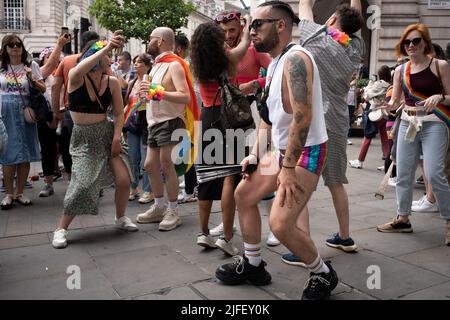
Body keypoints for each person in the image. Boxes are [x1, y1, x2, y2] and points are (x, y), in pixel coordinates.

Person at [215, 1, 338, 300]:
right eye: (250, 24)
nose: (250, 30)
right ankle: (253, 264)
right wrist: (255, 155)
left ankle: (322, 273)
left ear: (280, 26)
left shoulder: (296, 59)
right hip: (283, 152)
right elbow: (268, 121)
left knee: (281, 224)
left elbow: (302, 116)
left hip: (305, 151)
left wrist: (286, 170)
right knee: (243, 194)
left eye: (257, 24)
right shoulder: (275, 63)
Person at [280, 0, 363, 265]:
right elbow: (355, 21)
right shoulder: (354, 48)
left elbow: (304, 5)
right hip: (338, 122)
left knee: (301, 183)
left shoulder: (315, 38)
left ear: (331, 21)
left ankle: (300, 243)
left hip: (313, 125)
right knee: (336, 182)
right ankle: (345, 237)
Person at [52, 33, 138, 249]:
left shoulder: (112, 82)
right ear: (96, 56)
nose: (111, 58)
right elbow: (81, 67)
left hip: (106, 133)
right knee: (81, 184)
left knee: (123, 180)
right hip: (84, 137)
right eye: (107, 55)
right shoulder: (76, 76)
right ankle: (61, 228)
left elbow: (119, 114)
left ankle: (120, 217)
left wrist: (117, 136)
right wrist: (105, 46)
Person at [209, 10, 279, 246]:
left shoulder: (253, 49)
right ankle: (229, 221)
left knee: (261, 169)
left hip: (253, 115)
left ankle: (274, 226)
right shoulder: (219, 52)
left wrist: (256, 83)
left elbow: (275, 71)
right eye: (223, 31)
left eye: (231, 30)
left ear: (241, 27)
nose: (227, 35)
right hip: (226, 118)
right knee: (230, 171)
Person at [377, 23, 450, 247]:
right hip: (409, 123)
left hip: (434, 124)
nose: (411, 45)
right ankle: (403, 218)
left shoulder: (440, 65)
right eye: (407, 42)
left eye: (416, 41)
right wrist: (383, 104)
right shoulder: (401, 71)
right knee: (404, 173)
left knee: (434, 172)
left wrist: (439, 97)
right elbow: (395, 102)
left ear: (425, 43)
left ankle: (449, 221)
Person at [190, 19, 252, 255]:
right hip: (230, 116)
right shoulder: (226, 57)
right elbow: (245, 44)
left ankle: (203, 233)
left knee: (205, 177)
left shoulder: (196, 62)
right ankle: (226, 238)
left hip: (207, 117)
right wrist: (246, 28)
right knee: (230, 177)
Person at [136, 27, 200, 231]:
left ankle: (173, 210)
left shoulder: (174, 65)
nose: (148, 41)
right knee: (149, 165)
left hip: (171, 120)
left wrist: (158, 92)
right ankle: (159, 206)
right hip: (154, 122)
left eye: (150, 38)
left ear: (161, 41)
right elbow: (155, 94)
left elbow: (185, 96)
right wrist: (146, 93)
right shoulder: (156, 66)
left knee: (166, 164)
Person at [0, 34, 45, 209]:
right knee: (8, 154)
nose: (15, 47)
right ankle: (8, 194)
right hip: (6, 111)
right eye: (10, 45)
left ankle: (20, 193)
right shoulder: (1, 67)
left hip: (26, 110)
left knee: (25, 152)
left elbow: (42, 88)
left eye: (18, 44)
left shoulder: (31, 65)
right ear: (5, 48)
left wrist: (31, 78)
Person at [36, 35, 73, 197]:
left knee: (68, 150)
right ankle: (48, 183)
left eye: (58, 59)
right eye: (50, 58)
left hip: (65, 116)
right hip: (46, 117)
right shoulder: (41, 77)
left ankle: (72, 182)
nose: (54, 61)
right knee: (47, 151)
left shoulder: (67, 76)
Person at [52, 31, 101, 135]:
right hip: (96, 110)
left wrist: (56, 111)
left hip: (71, 109)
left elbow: (55, 87)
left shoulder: (67, 60)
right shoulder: (101, 61)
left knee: (75, 147)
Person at [123, 53, 154, 204]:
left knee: (146, 159)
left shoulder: (151, 81)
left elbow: (156, 100)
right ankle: (133, 187)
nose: (136, 65)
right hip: (134, 121)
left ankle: (148, 190)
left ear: (147, 65)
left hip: (148, 120)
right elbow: (127, 104)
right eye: (135, 62)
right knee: (132, 157)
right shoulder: (132, 82)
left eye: (140, 62)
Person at [349, 65, 392, 169]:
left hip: (375, 113)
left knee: (367, 137)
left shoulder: (378, 84)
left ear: (380, 74)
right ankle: (388, 163)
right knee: (385, 138)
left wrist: (368, 86)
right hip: (385, 114)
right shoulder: (390, 85)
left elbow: (367, 95)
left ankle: (359, 161)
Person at [174, 33, 198, 204]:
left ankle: (191, 189)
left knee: (188, 150)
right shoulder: (186, 64)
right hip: (189, 113)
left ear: (179, 49)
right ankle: (190, 185)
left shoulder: (183, 65)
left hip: (189, 114)